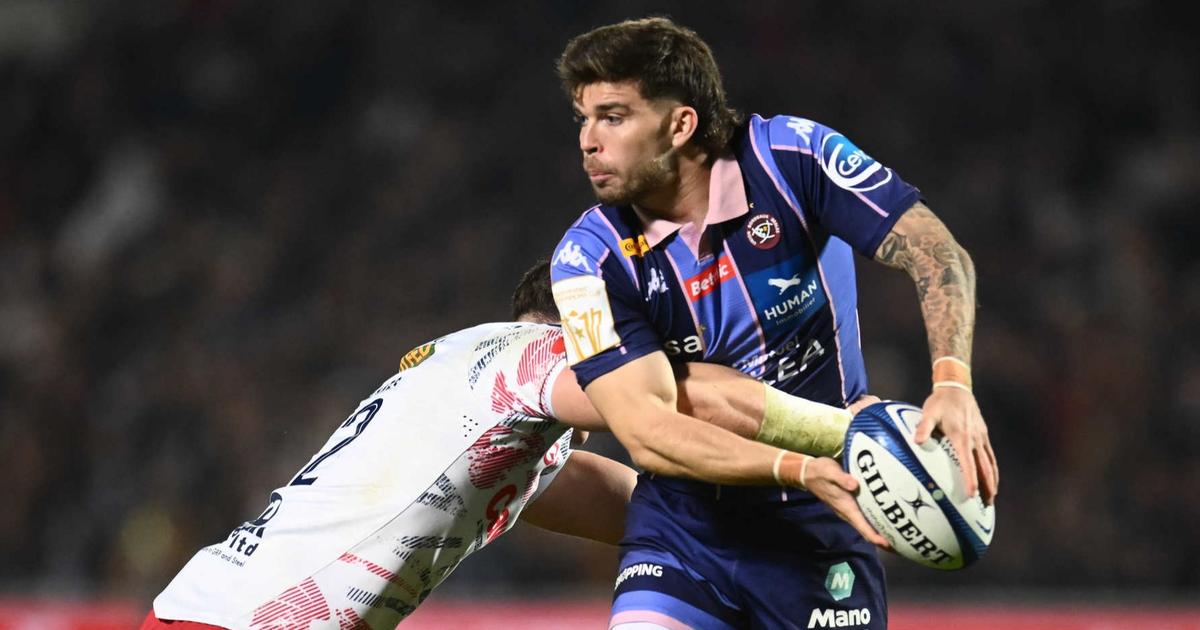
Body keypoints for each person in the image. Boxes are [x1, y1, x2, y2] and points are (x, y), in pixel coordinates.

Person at [549, 17, 1000, 629]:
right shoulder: (587, 260)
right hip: (686, 534)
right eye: (583, 118)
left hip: (821, 531)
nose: (588, 140)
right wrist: (798, 466)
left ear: (680, 124)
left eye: (614, 116)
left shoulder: (793, 158)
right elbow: (646, 430)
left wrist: (952, 382)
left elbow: (936, 252)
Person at [141, 262, 882, 630]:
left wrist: (792, 530)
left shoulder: (488, 408)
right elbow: (684, 400)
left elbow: (638, 508)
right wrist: (844, 436)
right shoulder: (532, 355)